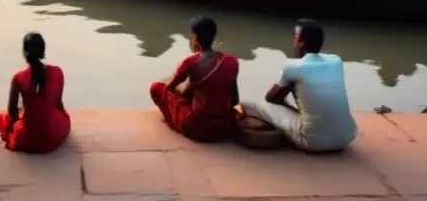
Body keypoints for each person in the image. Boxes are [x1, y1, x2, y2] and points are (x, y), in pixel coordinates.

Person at [241, 19, 357, 153]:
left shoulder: (293, 66)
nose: (294, 40)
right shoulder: (336, 60)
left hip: (311, 142)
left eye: (296, 37)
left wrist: (288, 101)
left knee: (246, 103)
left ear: (300, 42)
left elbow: (271, 98)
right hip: (346, 138)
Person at [149, 16, 239, 142]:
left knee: (156, 87)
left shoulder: (190, 62)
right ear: (213, 37)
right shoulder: (232, 61)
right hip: (224, 127)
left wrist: (182, 84)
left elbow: (170, 88)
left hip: (197, 128)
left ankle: (171, 120)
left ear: (195, 38)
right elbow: (235, 100)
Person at [0, 32, 70, 153]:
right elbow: (58, 103)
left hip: (28, 140)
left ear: (24, 52)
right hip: (52, 137)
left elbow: (12, 113)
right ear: (43, 50)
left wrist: (13, 127)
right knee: (64, 119)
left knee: (0, 119)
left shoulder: (18, 78)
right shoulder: (57, 72)